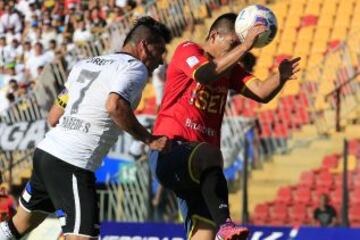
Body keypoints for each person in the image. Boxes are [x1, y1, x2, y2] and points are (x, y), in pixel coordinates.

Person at [0, 16, 172, 240]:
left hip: (46, 153)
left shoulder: (86, 64)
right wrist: (150, 139)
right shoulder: (134, 68)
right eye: (159, 51)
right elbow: (114, 105)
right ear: (144, 46)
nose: (160, 60)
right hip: (72, 162)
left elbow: (53, 116)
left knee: (16, 227)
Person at [149, 13, 300, 240]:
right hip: (169, 149)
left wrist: (280, 77)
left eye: (239, 46)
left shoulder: (229, 71)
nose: (237, 51)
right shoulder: (187, 49)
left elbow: (261, 92)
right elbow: (204, 74)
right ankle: (226, 224)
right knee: (210, 153)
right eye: (233, 44)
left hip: (198, 166)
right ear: (214, 36)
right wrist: (247, 45)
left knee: (204, 235)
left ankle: (220, 228)